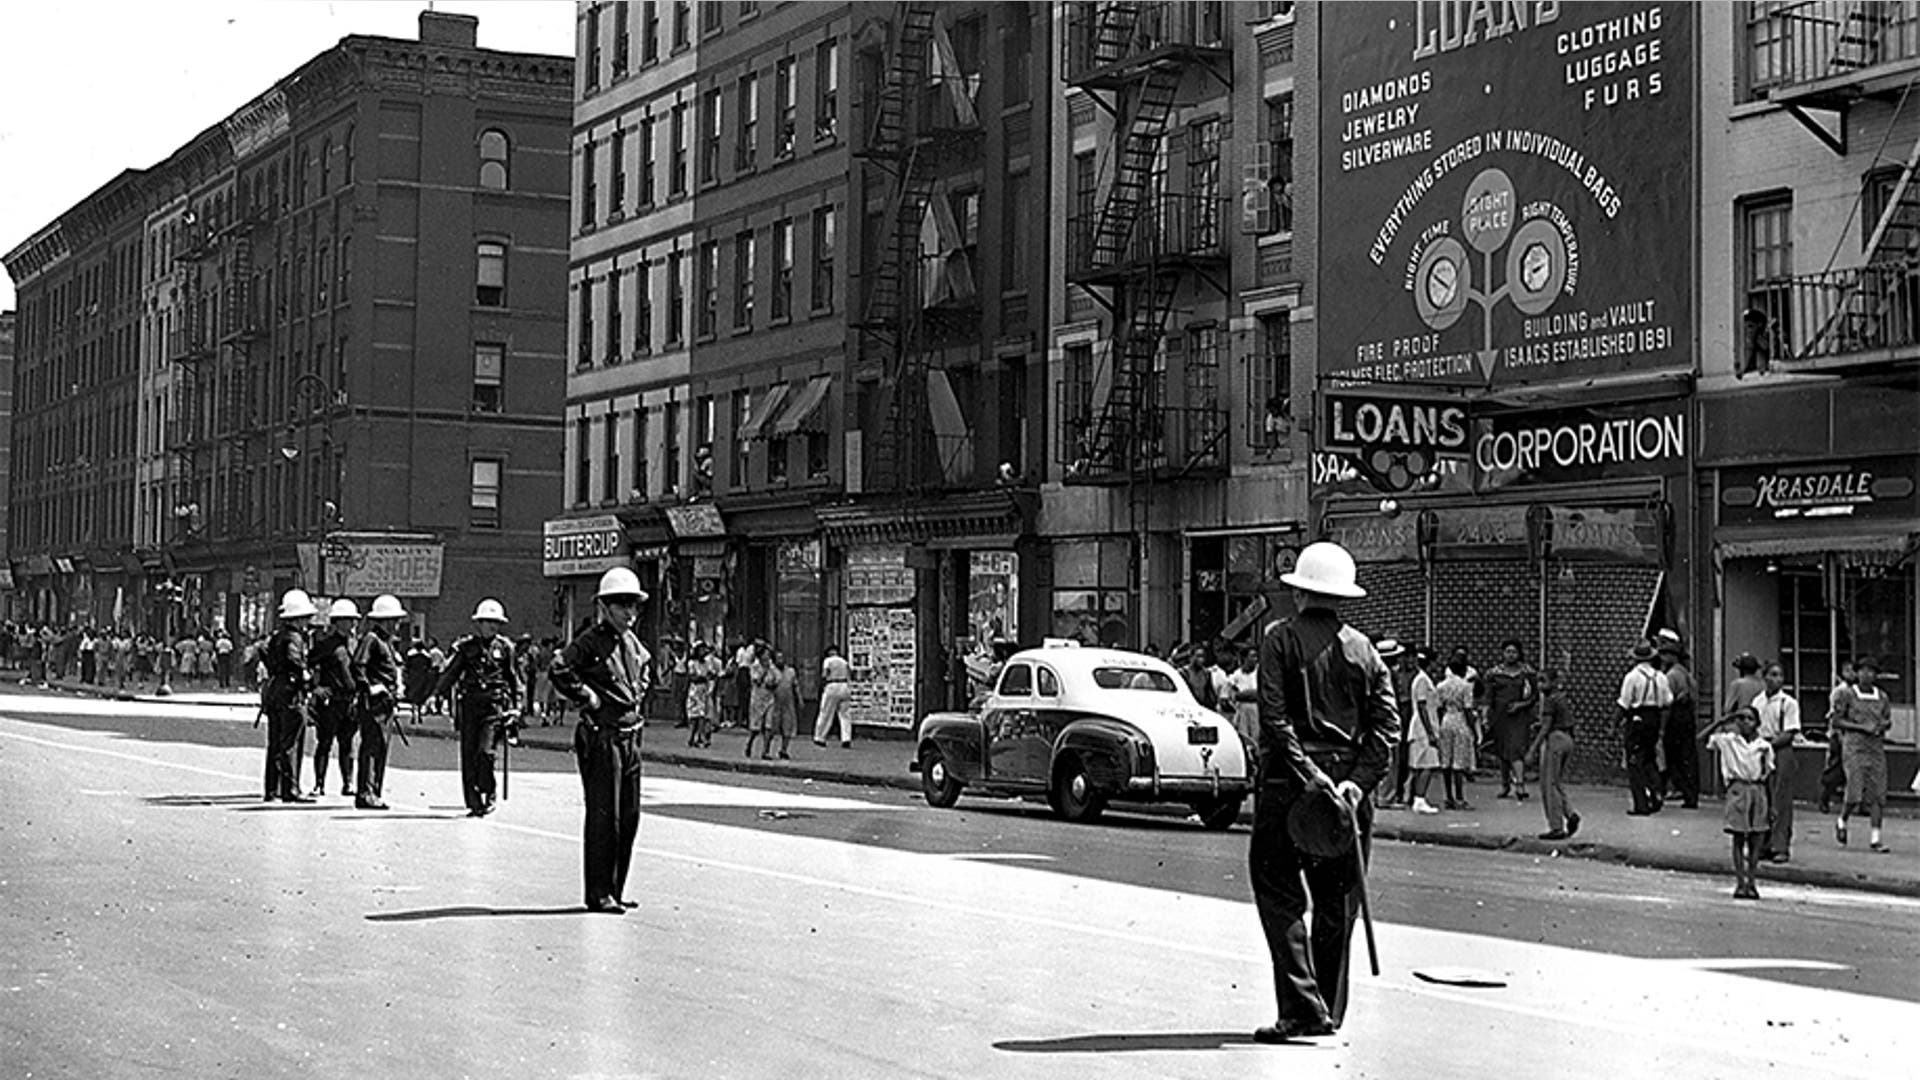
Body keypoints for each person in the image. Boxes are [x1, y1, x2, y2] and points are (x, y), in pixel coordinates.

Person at [1250, 541, 1398, 1043]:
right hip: (1348, 789)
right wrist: (1355, 784)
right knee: (1338, 902)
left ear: (1299, 594)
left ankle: (1301, 1008)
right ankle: (1326, 1008)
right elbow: (1386, 731)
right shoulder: (1366, 651)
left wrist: (1310, 775)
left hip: (1288, 785)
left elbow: (1274, 719)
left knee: (1280, 893)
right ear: (1342, 598)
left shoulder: (1279, 639)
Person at [549, 567, 653, 915]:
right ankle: (598, 893)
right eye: (622, 606)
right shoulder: (591, 640)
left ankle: (616, 888)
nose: (630, 613)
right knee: (604, 816)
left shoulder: (632, 643)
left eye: (633, 606)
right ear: (605, 607)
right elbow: (559, 668)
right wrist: (587, 697)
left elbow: (645, 671)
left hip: (629, 736)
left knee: (630, 815)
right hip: (602, 735)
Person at [434, 598, 522, 818]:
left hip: (493, 706)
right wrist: (436, 695)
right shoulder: (466, 648)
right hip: (470, 705)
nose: (493, 626)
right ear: (479, 623)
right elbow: (451, 674)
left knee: (485, 753)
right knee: (468, 754)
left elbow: (514, 680)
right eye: (488, 622)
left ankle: (488, 791)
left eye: (496, 623)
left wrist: (518, 707)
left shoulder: (506, 648)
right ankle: (473, 801)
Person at [1702, 705, 1775, 900]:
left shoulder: (1763, 746)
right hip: (1738, 788)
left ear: (1757, 723)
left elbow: (1768, 775)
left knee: (1756, 839)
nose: (1744, 723)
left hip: (1757, 790)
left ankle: (1752, 881)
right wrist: (1721, 721)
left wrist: (1772, 805)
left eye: (1749, 719)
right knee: (1738, 837)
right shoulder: (1728, 741)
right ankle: (1740, 882)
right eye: (1741, 719)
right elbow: (1701, 739)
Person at [259, 589, 319, 803]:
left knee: (275, 741)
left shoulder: (277, 636)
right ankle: (290, 789)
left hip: (276, 690)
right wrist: (305, 674)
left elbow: (263, 652)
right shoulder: (294, 638)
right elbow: (295, 661)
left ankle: (271, 789)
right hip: (291, 693)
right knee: (292, 742)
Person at [1830, 655, 1893, 852]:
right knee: (1855, 791)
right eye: (1863, 670)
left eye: (1871, 671)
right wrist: (1860, 727)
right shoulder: (1847, 694)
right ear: (1857, 673)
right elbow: (1836, 721)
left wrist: (1882, 725)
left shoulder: (1882, 697)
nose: (1866, 675)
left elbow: (1887, 720)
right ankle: (1843, 819)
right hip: (1854, 747)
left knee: (1877, 792)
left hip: (1875, 747)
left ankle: (1875, 836)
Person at [352, 595, 407, 811]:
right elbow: (358, 666)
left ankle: (374, 791)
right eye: (392, 620)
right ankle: (366, 792)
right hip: (374, 703)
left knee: (381, 747)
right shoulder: (371, 639)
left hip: (386, 704)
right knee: (373, 747)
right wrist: (370, 687)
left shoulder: (387, 643)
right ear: (381, 621)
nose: (396, 625)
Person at [309, 599, 361, 798]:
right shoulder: (326, 645)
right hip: (331, 702)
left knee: (347, 744)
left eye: (353, 620)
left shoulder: (357, 645)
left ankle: (348, 783)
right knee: (325, 743)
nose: (352, 625)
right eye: (347, 620)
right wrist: (316, 687)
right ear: (337, 622)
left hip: (350, 701)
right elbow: (307, 664)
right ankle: (319, 783)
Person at [1617, 638, 1672, 816]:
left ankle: (1641, 803)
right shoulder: (1661, 677)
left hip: (1637, 718)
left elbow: (1624, 703)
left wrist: (1614, 725)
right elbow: (1667, 701)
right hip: (1654, 718)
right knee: (1649, 757)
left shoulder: (1632, 677)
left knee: (1634, 760)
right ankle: (1656, 791)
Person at [1752, 661, 1800, 864]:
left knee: (1781, 800)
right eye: (1772, 675)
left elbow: (1789, 733)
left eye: (1779, 675)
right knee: (1763, 799)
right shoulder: (1758, 702)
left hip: (1780, 752)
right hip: (1761, 751)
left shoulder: (1788, 703)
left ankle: (1780, 846)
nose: (1776, 679)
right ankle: (1763, 843)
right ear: (1764, 677)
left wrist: (1770, 743)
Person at [1525, 668, 1580, 840]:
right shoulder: (1562, 698)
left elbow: (1547, 726)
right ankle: (1569, 813)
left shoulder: (1550, 700)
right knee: (1556, 782)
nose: (1540, 685)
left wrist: (1532, 749)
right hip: (1566, 738)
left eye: (1544, 681)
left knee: (1549, 785)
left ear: (1554, 682)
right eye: (1539, 681)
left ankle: (1556, 826)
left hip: (1555, 740)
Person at [1484, 638, 1538, 801]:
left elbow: (1534, 695)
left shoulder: (1527, 672)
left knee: (1516, 749)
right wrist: (1487, 715)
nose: (1510, 655)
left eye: (1514, 652)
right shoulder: (1494, 673)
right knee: (1502, 751)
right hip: (1500, 716)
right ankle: (1505, 784)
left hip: (1519, 716)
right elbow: (1489, 697)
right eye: (1507, 652)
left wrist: (1521, 705)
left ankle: (1520, 785)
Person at [1657, 630, 1699, 809]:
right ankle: (1690, 793)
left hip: (1676, 719)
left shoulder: (1671, 676)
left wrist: (1662, 727)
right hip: (1688, 718)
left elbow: (1667, 703)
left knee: (1674, 756)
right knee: (1688, 755)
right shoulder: (1686, 673)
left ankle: (1681, 789)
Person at [1434, 653, 1478, 811]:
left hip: (1446, 719)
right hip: (1460, 719)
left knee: (1446, 760)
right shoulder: (1465, 686)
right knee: (1458, 761)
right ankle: (1460, 797)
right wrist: (1473, 729)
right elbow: (1467, 708)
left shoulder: (1441, 686)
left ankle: (1448, 797)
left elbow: (1439, 708)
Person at [1376, 638, 1413, 807]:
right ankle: (1386, 797)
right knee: (1391, 760)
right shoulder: (1388, 673)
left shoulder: (1377, 670)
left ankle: (1382, 795)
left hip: (1380, 721)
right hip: (1388, 720)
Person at [1405, 648, 1442, 815]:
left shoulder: (1425, 679)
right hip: (1423, 728)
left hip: (1426, 726)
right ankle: (1419, 799)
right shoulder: (1422, 680)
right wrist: (1430, 732)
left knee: (1422, 764)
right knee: (1426, 764)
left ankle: (1416, 797)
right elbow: (1422, 706)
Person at [1819, 661, 1855, 814]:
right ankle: (1824, 798)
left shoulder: (1857, 691)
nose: (1852, 674)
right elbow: (1835, 715)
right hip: (1839, 735)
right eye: (1848, 670)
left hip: (1853, 736)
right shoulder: (1841, 691)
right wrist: (1838, 735)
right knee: (1836, 769)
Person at [813, 644, 853, 749]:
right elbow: (849, 674)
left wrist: (822, 684)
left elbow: (825, 674)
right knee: (845, 714)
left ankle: (820, 737)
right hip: (844, 686)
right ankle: (846, 738)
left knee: (826, 712)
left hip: (832, 685)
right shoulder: (844, 661)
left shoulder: (828, 661)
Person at [684, 642, 723, 748]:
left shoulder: (707, 663)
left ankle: (700, 737)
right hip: (695, 691)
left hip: (705, 691)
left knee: (703, 715)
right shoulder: (692, 663)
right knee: (695, 716)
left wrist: (711, 676)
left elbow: (712, 674)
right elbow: (692, 677)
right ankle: (695, 737)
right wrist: (703, 677)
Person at [742, 639, 776, 759]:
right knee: (756, 727)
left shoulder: (772, 665)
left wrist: (773, 683)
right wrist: (765, 671)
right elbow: (757, 681)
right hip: (757, 698)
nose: (767, 656)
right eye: (765, 654)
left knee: (769, 726)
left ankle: (765, 751)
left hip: (769, 698)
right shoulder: (755, 666)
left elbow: (776, 679)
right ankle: (749, 744)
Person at [769, 649, 799, 760]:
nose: (780, 660)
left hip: (788, 702)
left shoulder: (791, 671)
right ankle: (766, 749)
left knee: (788, 727)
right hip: (775, 702)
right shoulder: (771, 670)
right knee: (772, 727)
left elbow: (795, 685)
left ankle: (784, 750)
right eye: (778, 658)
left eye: (782, 658)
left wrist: (799, 698)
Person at [1726, 652, 1765, 719]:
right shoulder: (1763, 684)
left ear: (1741, 670)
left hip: (1743, 721)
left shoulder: (1737, 684)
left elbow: (1727, 708)